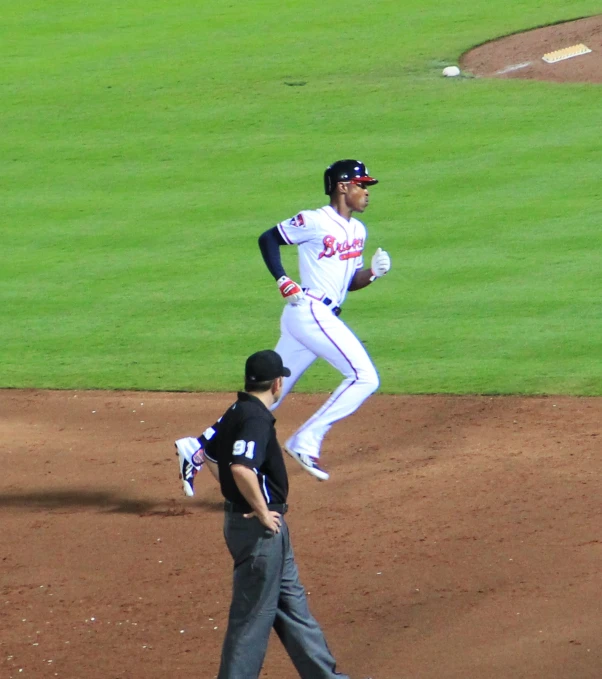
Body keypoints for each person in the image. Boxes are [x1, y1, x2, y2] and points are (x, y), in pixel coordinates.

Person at [177, 350, 367, 679]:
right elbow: (240, 468)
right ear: (277, 383)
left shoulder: (236, 409)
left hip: (261, 529)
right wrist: (260, 510)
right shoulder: (255, 418)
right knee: (251, 619)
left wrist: (239, 499)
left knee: (293, 609)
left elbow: (207, 453)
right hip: (260, 531)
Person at [257, 160, 391, 481]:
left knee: (269, 397)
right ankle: (306, 440)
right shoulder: (315, 221)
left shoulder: (358, 230)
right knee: (364, 377)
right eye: (361, 185)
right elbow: (268, 238)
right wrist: (282, 279)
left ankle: (200, 447)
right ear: (342, 187)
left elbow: (348, 283)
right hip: (309, 310)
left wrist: (372, 273)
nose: (366, 192)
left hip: (311, 317)